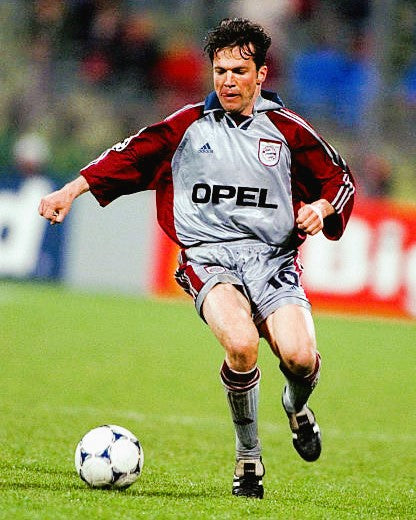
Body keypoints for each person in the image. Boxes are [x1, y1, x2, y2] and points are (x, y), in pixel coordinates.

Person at [39, 18, 355, 499]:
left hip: (272, 259)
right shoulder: (186, 126)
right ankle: (248, 457)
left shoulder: (289, 130)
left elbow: (339, 179)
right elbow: (129, 155)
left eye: (239, 71)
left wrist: (323, 207)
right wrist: (70, 190)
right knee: (242, 345)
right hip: (208, 257)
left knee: (298, 357)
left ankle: (295, 407)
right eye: (220, 70)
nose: (228, 81)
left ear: (261, 74)